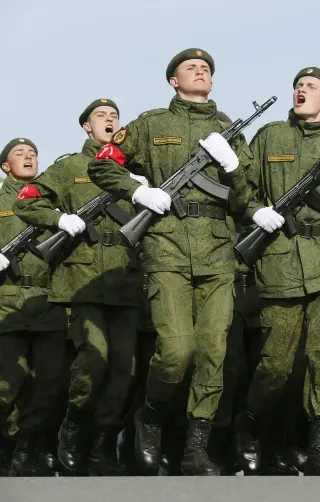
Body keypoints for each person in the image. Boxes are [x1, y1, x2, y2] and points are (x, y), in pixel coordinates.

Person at [87, 48, 253, 476]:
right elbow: (102, 166)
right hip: (167, 246)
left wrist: (234, 168)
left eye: (206, 68)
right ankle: (150, 416)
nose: (200, 70)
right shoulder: (151, 124)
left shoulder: (229, 129)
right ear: (173, 80)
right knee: (177, 351)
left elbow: (246, 199)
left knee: (213, 352)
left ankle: (196, 448)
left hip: (217, 251)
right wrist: (138, 192)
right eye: (190, 67)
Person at [234, 67, 320, 476]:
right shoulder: (270, 136)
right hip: (280, 259)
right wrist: (256, 210)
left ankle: (319, 448)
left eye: (312, 86)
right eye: (298, 85)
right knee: (276, 363)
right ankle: (249, 427)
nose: (301, 90)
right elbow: (242, 186)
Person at [14, 99, 144, 476]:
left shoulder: (135, 169)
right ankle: (72, 426)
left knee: (124, 369)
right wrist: (58, 220)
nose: (110, 120)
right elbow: (26, 203)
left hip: (124, 278)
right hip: (83, 280)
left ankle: (103, 445)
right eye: (101, 116)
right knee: (93, 359)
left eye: (114, 116)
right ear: (87, 126)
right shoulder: (70, 166)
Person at [0, 138, 68, 476]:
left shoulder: (52, 198)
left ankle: (25, 447)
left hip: (48, 300)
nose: (28, 158)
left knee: (49, 382)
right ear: (5, 166)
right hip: (7, 302)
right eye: (20, 154)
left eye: (33, 154)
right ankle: (8, 442)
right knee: (8, 383)